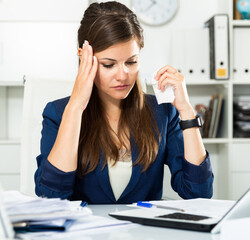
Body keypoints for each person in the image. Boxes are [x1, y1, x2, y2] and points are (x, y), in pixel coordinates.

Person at [35, 1, 213, 204]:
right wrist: (75, 107)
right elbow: (51, 197)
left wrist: (186, 111)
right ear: (84, 58)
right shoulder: (58, 113)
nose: (123, 75)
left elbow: (199, 194)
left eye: (131, 62)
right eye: (109, 64)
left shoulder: (162, 113)